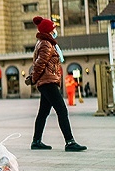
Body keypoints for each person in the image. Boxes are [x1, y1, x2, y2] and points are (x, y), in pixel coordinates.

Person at [30, 16, 87, 152]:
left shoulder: (46, 43)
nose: (55, 30)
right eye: (54, 29)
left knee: (43, 112)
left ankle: (36, 141)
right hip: (48, 82)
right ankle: (70, 142)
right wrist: (34, 79)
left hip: (47, 81)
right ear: (48, 31)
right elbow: (39, 64)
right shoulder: (46, 44)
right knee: (62, 110)